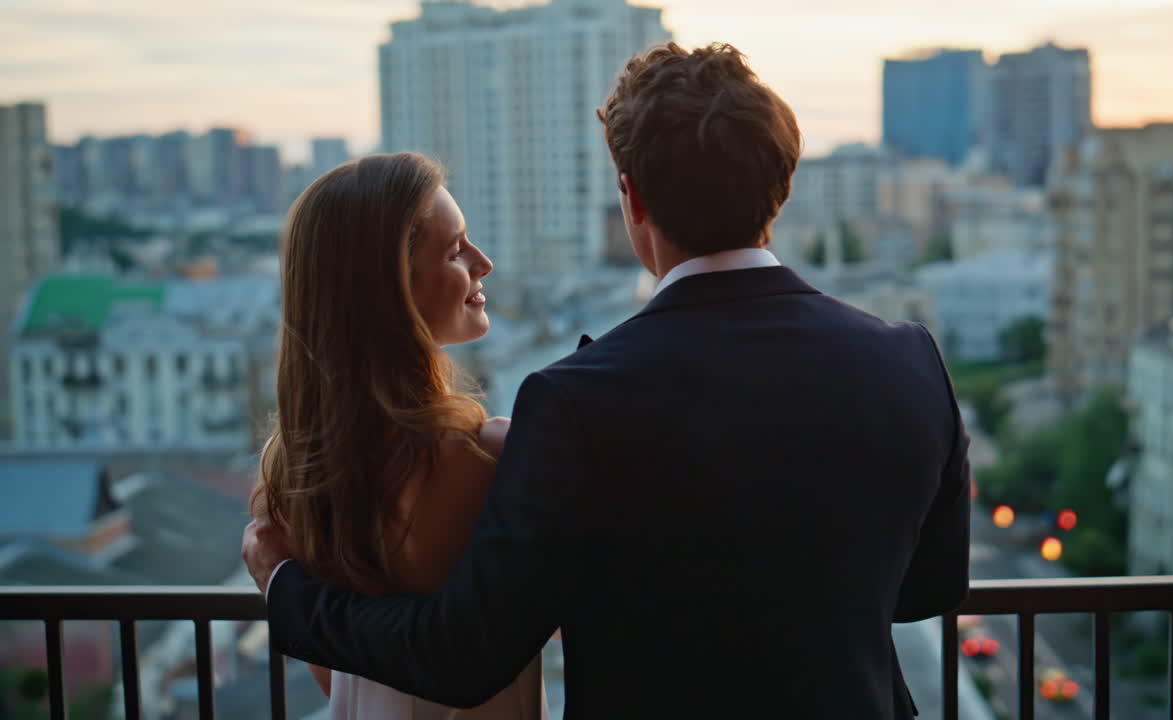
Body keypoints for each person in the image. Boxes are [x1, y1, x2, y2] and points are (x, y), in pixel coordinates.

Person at [244, 42, 970, 719]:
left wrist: (286, 588)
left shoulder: (574, 403)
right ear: (779, 186)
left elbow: (462, 653)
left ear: (633, 198)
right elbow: (929, 589)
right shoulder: (907, 360)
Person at [249, 152, 546, 720]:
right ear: (391, 289)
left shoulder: (293, 468)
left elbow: (333, 673)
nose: (483, 262)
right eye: (455, 250)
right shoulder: (494, 456)